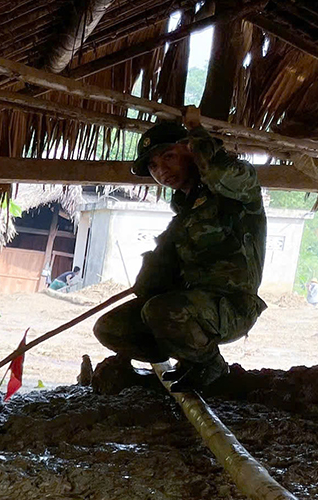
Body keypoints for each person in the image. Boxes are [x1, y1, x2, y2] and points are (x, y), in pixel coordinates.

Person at [93, 111, 267, 391]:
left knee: (161, 311)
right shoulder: (184, 213)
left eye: (168, 156)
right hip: (192, 304)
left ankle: (210, 364)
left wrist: (197, 132)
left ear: (190, 151)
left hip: (232, 307)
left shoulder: (237, 192)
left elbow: (219, 171)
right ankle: (187, 358)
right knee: (110, 327)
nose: (160, 169)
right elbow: (161, 276)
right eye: (152, 164)